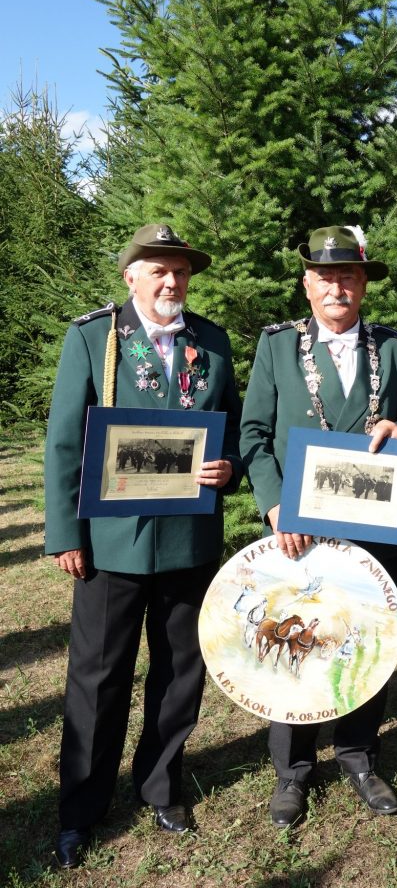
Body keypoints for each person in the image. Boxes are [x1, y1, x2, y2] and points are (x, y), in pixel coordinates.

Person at [44, 223, 243, 868]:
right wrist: (65, 532)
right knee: (98, 676)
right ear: (130, 275)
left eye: (180, 270)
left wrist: (229, 468)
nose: (170, 281)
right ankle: (82, 807)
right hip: (111, 544)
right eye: (157, 269)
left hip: (187, 538)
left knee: (180, 670)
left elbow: (233, 431)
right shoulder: (93, 339)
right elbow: (64, 442)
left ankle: (160, 784)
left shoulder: (211, 343)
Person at [240, 225, 397, 828]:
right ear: (307, 284)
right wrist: (274, 505)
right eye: (325, 276)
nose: (336, 286)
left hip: (373, 527)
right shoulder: (277, 347)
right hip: (299, 532)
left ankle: (359, 755)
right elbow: (254, 436)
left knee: (366, 637)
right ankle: (293, 771)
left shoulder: (393, 348)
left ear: (363, 283)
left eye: (348, 275)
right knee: (296, 642)